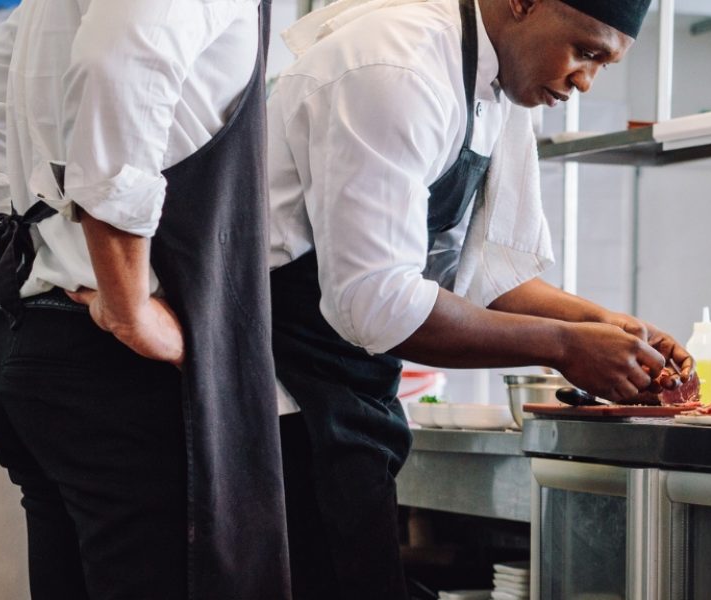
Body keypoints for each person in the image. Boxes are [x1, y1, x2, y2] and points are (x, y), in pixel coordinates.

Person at [264, 0, 677, 597]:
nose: (584, 81)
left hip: (348, 388)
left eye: (603, 65)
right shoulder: (396, 67)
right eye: (584, 51)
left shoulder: (496, 84)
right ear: (522, 4)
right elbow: (377, 302)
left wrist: (608, 325)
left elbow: (488, 273)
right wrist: (565, 345)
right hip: (279, 390)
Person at [0, 1, 289, 598]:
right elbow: (120, 63)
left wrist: (20, 274)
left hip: (35, 345)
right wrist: (132, 312)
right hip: (117, 369)